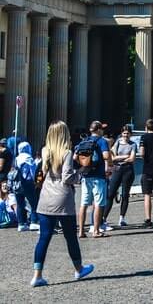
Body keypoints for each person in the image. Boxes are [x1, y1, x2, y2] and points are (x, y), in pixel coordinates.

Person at [30, 121, 95, 287]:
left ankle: (37, 275)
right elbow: (67, 177)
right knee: (70, 237)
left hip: (46, 197)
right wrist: (80, 172)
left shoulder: (45, 151)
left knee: (44, 237)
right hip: (63, 199)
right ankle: (79, 268)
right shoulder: (66, 152)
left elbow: (43, 173)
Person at [75, 121, 112, 238]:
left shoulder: (84, 141)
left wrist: (84, 164)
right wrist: (110, 163)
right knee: (98, 203)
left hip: (86, 176)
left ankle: (81, 231)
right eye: (102, 129)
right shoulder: (102, 141)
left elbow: (75, 157)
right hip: (98, 176)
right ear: (99, 130)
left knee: (84, 204)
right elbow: (106, 156)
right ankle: (96, 230)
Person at [104, 126, 137, 228]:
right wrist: (124, 157)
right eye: (124, 133)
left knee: (125, 195)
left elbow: (132, 159)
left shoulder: (133, 144)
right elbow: (113, 157)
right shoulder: (118, 142)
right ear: (121, 134)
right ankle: (104, 218)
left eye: (127, 133)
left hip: (128, 170)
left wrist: (119, 158)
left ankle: (121, 218)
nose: (126, 135)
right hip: (117, 169)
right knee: (110, 194)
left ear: (130, 134)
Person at [11, 141, 39, 231]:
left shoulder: (16, 158)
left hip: (17, 184)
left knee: (20, 204)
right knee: (33, 203)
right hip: (28, 183)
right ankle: (34, 222)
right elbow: (33, 171)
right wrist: (36, 182)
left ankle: (21, 224)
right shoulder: (29, 158)